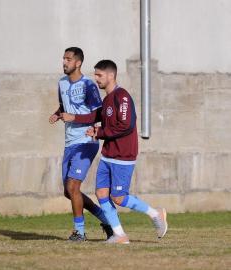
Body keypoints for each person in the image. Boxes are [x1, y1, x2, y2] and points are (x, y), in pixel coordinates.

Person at [86, 59, 168, 244]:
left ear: (111, 75)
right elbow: (100, 120)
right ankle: (119, 235)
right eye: (95, 74)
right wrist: (74, 118)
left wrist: (99, 132)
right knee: (101, 193)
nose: (96, 78)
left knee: (118, 197)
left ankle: (156, 213)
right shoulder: (107, 99)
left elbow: (125, 125)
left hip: (123, 156)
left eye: (99, 75)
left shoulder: (121, 96)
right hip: (108, 155)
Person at [49, 47, 113, 242]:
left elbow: (99, 113)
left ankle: (79, 232)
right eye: (63, 58)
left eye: (68, 59)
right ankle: (106, 219)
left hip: (86, 140)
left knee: (73, 186)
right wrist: (58, 113)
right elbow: (64, 106)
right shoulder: (61, 83)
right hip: (69, 142)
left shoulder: (88, 85)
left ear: (78, 63)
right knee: (69, 192)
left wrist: (74, 117)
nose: (64, 62)